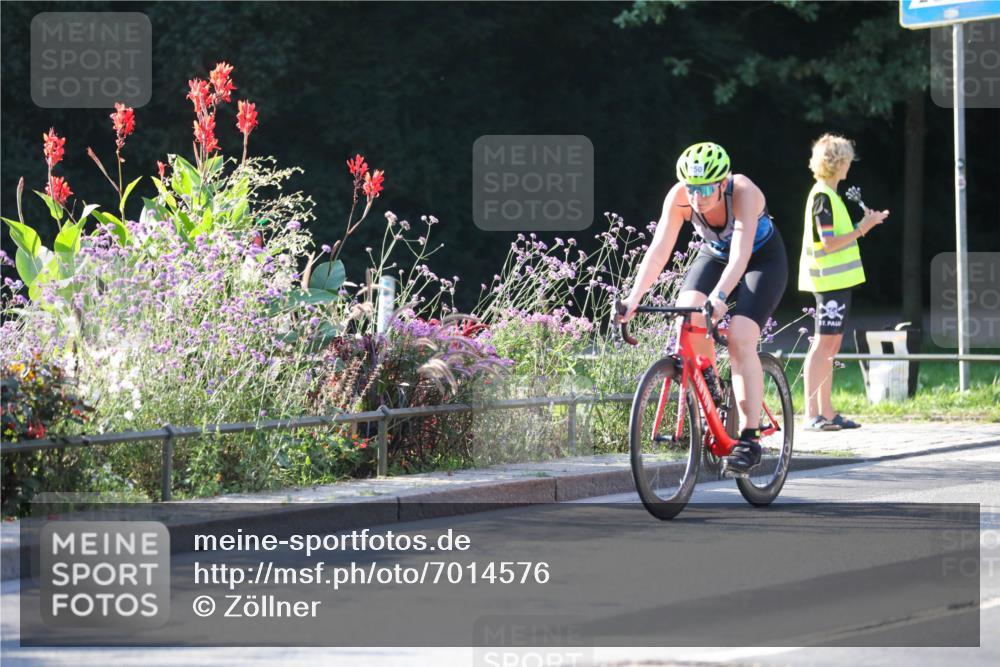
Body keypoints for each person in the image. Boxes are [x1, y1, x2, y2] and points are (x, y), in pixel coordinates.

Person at [616, 142, 788, 474]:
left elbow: (740, 256)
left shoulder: (744, 192)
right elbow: (659, 251)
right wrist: (633, 299)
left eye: (706, 188)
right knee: (687, 311)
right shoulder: (679, 197)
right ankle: (710, 382)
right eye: (692, 189)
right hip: (715, 255)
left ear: (723, 183)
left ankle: (750, 439)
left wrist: (720, 298)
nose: (697, 197)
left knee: (740, 338)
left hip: (761, 260)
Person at [798, 134, 888, 431]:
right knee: (823, 344)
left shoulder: (830, 195)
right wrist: (863, 228)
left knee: (831, 345)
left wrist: (865, 225)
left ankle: (827, 411)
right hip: (828, 282)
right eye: (847, 159)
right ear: (836, 163)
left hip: (837, 282)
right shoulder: (823, 196)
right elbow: (828, 243)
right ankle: (813, 413)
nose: (850, 164)